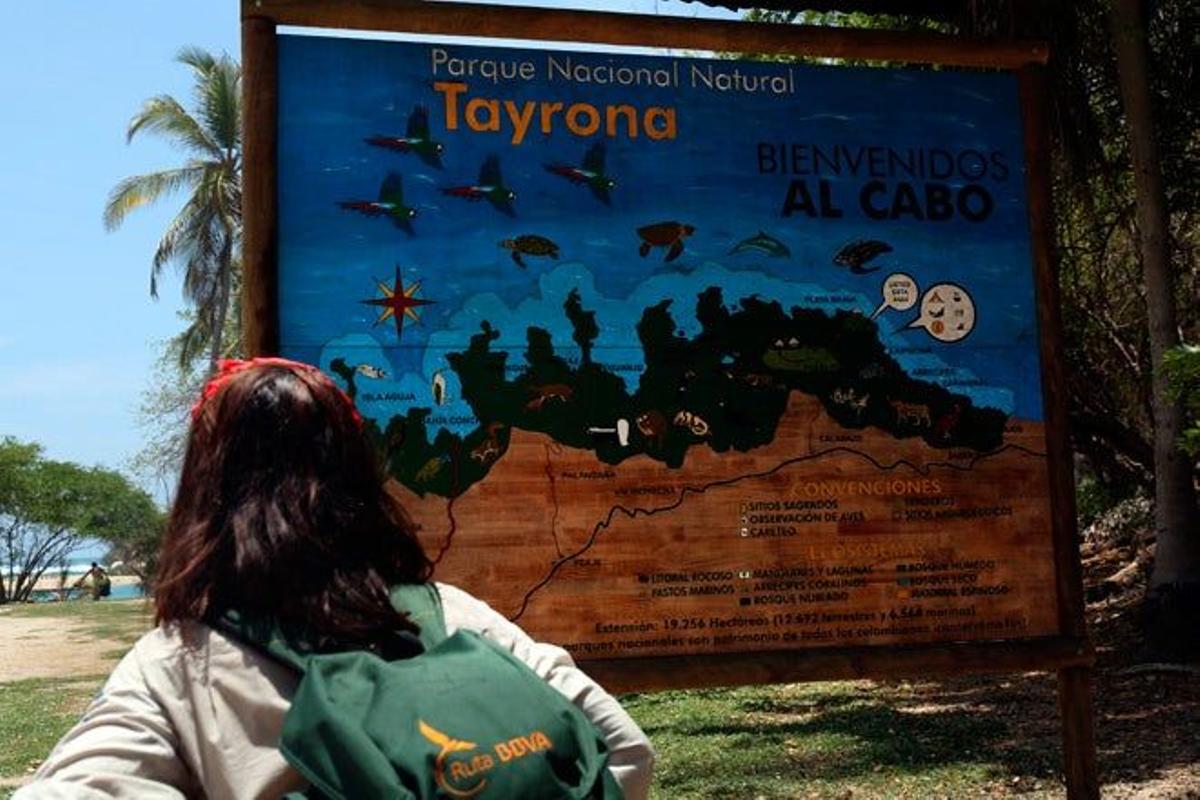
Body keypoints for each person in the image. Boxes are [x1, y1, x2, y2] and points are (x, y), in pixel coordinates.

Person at [18, 358, 654, 799]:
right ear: (358, 477)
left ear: (203, 490)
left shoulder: (179, 664)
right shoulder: (451, 614)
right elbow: (623, 748)